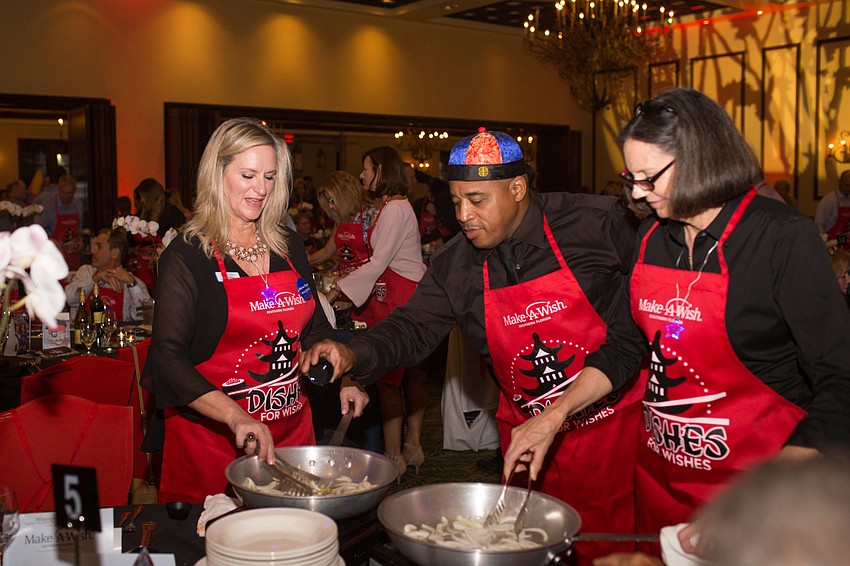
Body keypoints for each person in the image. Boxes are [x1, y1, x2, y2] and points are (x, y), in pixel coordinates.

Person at [503, 88, 850, 557]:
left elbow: (840, 380)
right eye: (632, 178)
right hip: (662, 477)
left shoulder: (781, 237)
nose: (639, 194)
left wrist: (762, 497)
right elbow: (627, 345)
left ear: (702, 159)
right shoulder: (651, 236)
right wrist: (554, 415)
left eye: (650, 178)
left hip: (760, 486)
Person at [299, 128, 646, 562]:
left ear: (518, 188)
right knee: (529, 542)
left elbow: (655, 294)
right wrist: (353, 353)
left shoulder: (597, 223)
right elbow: (411, 329)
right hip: (524, 430)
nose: (463, 215)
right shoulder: (456, 263)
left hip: (610, 429)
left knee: (610, 546)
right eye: (456, 200)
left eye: (477, 200)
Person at [141, 118, 369, 503]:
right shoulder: (187, 255)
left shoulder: (288, 246)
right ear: (218, 173)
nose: (261, 189)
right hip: (214, 444)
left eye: (269, 176)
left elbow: (310, 331)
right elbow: (166, 358)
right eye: (248, 175)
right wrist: (235, 415)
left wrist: (341, 373)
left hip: (292, 436)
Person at [322, 147, 427, 479]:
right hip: (395, 292)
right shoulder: (390, 207)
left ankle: (395, 455)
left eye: (366, 169)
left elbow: (378, 262)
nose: (363, 175)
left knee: (388, 378)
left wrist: (338, 288)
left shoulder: (395, 209)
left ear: (381, 170)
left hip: (398, 295)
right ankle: (411, 447)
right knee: (409, 374)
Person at [65, 227, 151, 322]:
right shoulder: (86, 272)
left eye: (99, 247)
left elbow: (143, 317)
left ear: (114, 253)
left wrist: (132, 284)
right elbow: (69, 299)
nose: (92, 251)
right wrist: (94, 280)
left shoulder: (133, 282)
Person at [308, 170, 376, 269]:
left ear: (344, 195)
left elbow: (378, 260)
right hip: (346, 277)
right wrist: (307, 259)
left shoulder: (370, 216)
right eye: (328, 202)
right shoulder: (341, 220)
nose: (330, 207)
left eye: (332, 200)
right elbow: (327, 251)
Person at [34, 173, 84, 269]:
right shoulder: (48, 206)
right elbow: (36, 230)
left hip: (73, 255)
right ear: (58, 190)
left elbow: (79, 227)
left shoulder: (78, 204)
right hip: (54, 255)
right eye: (63, 193)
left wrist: (80, 239)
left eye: (69, 194)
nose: (65, 196)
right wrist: (49, 240)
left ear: (74, 192)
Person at [815, 170, 850, 250]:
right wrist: (824, 244)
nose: (849, 188)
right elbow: (818, 225)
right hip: (832, 246)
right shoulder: (828, 200)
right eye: (846, 185)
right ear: (839, 181)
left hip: (846, 244)